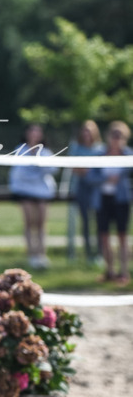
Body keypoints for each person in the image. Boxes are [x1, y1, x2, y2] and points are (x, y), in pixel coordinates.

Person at [87, 122, 132, 285]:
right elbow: (90, 177)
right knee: (104, 236)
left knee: (122, 235)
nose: (116, 139)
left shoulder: (128, 155)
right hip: (103, 200)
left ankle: (124, 271)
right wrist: (106, 179)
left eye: (119, 136)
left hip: (121, 200)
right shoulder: (99, 155)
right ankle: (110, 270)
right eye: (113, 135)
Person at [9, 123, 57, 271]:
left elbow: (52, 169)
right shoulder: (20, 150)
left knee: (41, 223)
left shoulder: (46, 152)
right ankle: (32, 255)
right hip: (24, 191)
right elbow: (20, 173)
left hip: (42, 191)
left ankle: (42, 254)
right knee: (29, 221)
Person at [68, 120, 103, 262]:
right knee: (85, 221)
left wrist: (87, 172)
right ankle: (89, 253)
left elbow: (101, 171)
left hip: (97, 189)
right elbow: (75, 168)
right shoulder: (76, 147)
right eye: (84, 130)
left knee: (100, 222)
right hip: (81, 188)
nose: (86, 133)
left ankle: (99, 253)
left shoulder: (100, 149)